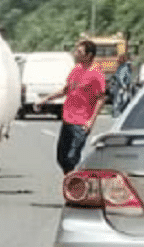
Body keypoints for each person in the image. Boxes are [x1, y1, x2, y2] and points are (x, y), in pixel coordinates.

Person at [43, 38, 108, 173]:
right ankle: (72, 181)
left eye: (79, 51)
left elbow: (101, 99)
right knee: (61, 157)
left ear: (89, 55)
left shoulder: (96, 74)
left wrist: (91, 121)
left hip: (81, 123)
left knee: (72, 157)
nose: (75, 53)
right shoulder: (76, 69)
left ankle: (75, 184)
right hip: (67, 120)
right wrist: (47, 99)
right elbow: (66, 89)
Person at [110, 50, 135, 115]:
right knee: (120, 100)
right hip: (120, 87)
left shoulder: (122, 67)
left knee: (120, 100)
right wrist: (124, 85)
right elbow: (120, 77)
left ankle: (118, 112)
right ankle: (117, 113)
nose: (130, 64)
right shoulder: (125, 67)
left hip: (119, 86)